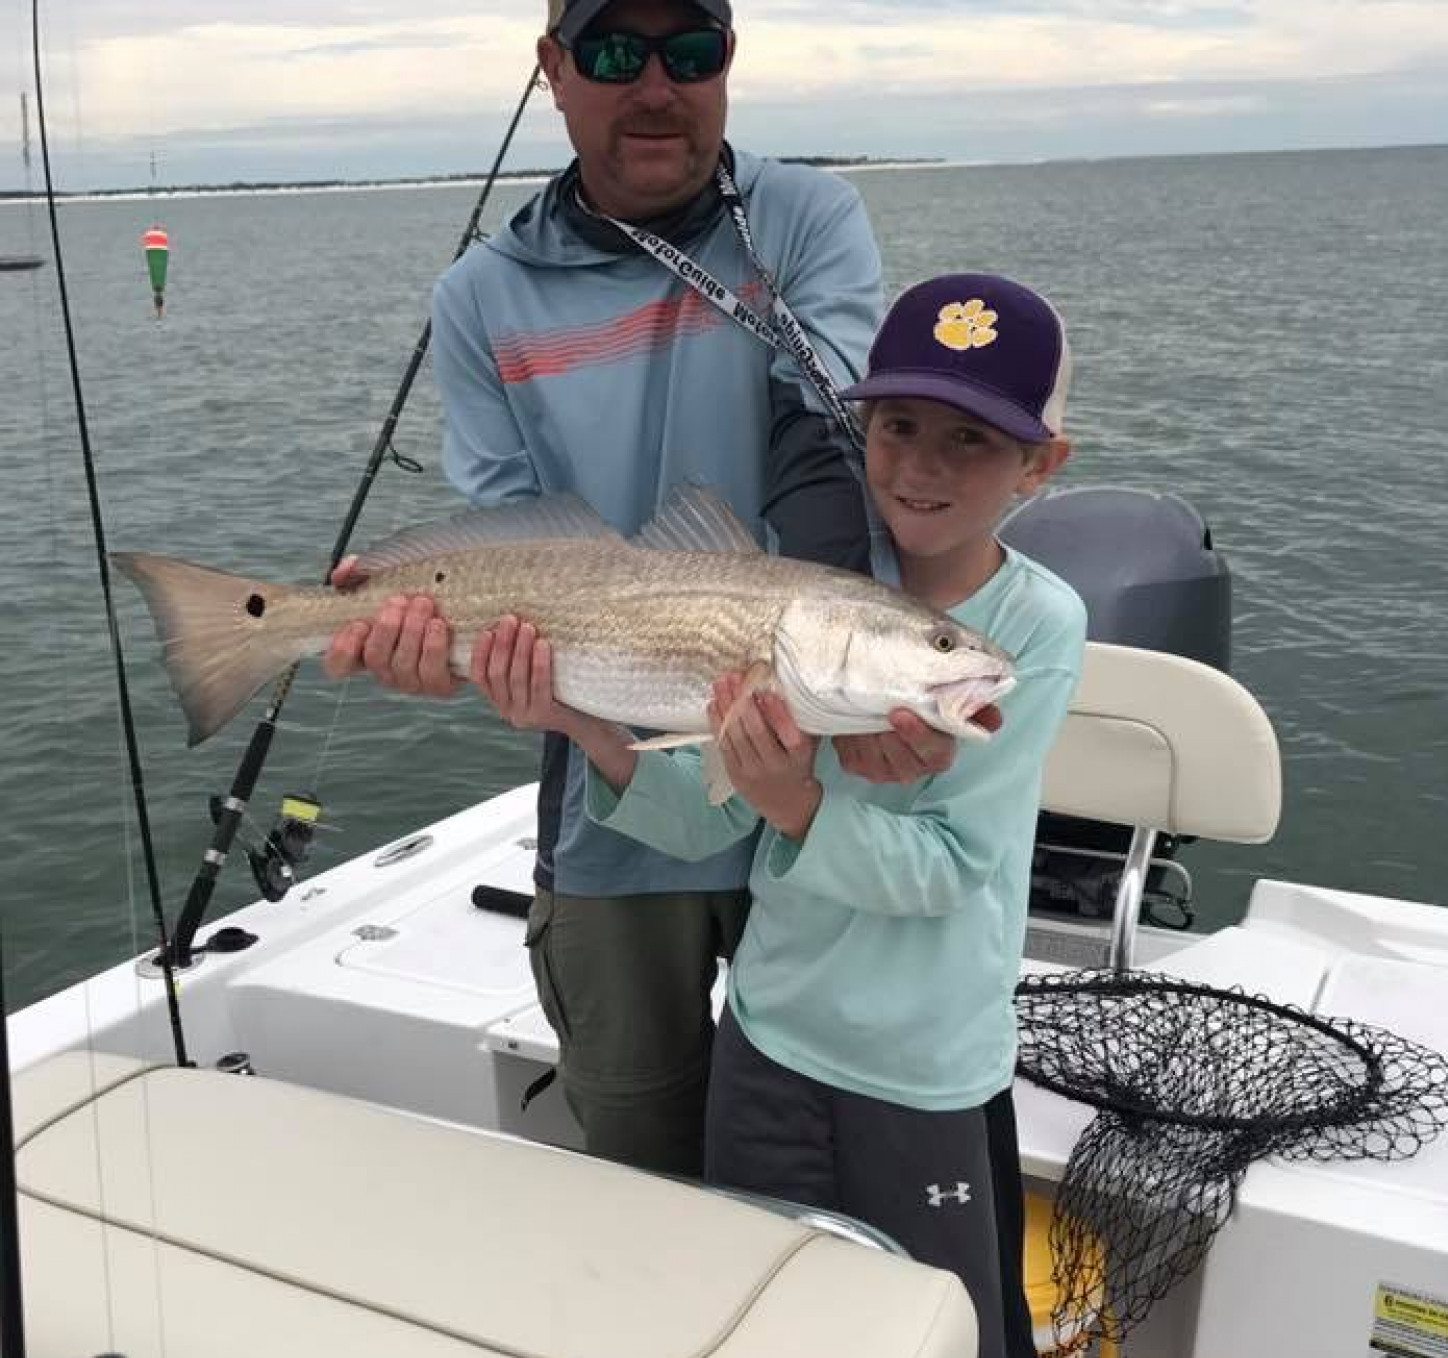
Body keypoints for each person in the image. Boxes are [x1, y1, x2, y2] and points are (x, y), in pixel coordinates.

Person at [325, 0, 973, 1178]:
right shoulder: (482, 294)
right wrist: (446, 638)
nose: (657, 87)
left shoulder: (804, 216)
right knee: (639, 1151)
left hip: (818, 794)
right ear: (554, 70)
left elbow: (824, 432)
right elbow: (503, 527)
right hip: (614, 792)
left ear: (731, 63)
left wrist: (854, 690)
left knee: (832, 1150)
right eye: (617, 53)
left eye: (692, 50)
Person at [497, 272, 1083, 1358]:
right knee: (768, 1332)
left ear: (1039, 465)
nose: (921, 466)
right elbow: (710, 805)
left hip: (918, 1069)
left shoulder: (1023, 633)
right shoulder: (805, 595)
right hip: (767, 1035)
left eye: (970, 440)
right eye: (896, 427)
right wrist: (590, 727)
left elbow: (950, 872)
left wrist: (799, 801)